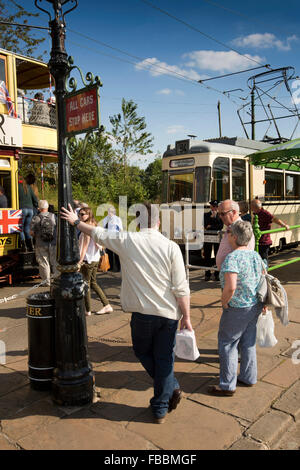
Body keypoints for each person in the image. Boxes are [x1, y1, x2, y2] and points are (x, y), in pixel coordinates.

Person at [60, 202, 192, 424]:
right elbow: (181, 288)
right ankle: (162, 403)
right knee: (164, 360)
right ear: (158, 222)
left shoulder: (128, 240)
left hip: (141, 314)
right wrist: (186, 317)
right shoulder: (171, 247)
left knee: (142, 353)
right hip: (169, 315)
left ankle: (170, 389)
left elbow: (98, 233)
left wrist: (75, 222)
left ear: (138, 223)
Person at [208, 220, 264, 396]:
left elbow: (230, 287)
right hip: (254, 306)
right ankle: (249, 377)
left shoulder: (232, 258)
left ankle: (227, 385)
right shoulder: (255, 255)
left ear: (234, 236)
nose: (228, 236)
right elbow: (263, 278)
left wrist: (224, 302)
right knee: (248, 342)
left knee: (228, 344)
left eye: (229, 233)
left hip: (237, 308)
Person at [78, 207, 113, 316]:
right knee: (93, 283)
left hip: (87, 260)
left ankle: (87, 310)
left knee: (86, 285)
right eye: (79, 214)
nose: (80, 216)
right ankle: (106, 305)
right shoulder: (95, 226)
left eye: (82, 214)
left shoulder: (87, 229)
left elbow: (84, 247)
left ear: (88, 214)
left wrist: (79, 262)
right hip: (95, 259)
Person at [216, 199, 255, 271]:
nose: (220, 217)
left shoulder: (242, 229)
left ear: (233, 212)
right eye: (219, 214)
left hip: (235, 276)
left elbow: (245, 256)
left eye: (223, 214)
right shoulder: (231, 227)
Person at [250, 198, 289, 264]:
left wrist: (284, 225)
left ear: (255, 207)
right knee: (259, 259)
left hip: (263, 241)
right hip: (258, 240)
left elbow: (274, 219)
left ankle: (265, 273)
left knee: (263, 260)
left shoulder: (265, 213)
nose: (250, 208)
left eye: (251, 206)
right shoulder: (256, 214)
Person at [30, 200, 58, 287]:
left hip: (40, 244)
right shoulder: (53, 216)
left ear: (39, 208)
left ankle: (46, 282)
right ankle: (57, 279)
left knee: (43, 262)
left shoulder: (36, 218)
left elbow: (31, 233)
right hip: (53, 243)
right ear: (47, 207)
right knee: (54, 261)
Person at [203, 200, 223, 281]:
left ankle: (216, 274)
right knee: (207, 255)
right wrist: (211, 219)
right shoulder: (206, 215)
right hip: (208, 237)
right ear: (210, 206)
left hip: (216, 237)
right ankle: (207, 274)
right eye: (213, 206)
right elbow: (205, 225)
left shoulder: (220, 215)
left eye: (216, 206)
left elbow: (220, 226)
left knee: (217, 255)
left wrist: (212, 224)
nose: (215, 208)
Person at [18, 174, 39, 252]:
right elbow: (35, 199)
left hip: (21, 209)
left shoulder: (17, 186)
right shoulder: (29, 187)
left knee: (20, 228)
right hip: (30, 210)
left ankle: (24, 246)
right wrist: (36, 206)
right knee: (27, 228)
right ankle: (31, 246)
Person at [102, 206, 123, 272]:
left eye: (111, 211)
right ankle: (110, 267)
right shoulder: (105, 219)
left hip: (116, 237)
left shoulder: (117, 219)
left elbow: (120, 229)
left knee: (116, 253)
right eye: (109, 211)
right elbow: (104, 229)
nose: (110, 213)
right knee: (109, 253)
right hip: (108, 237)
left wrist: (121, 237)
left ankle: (118, 267)